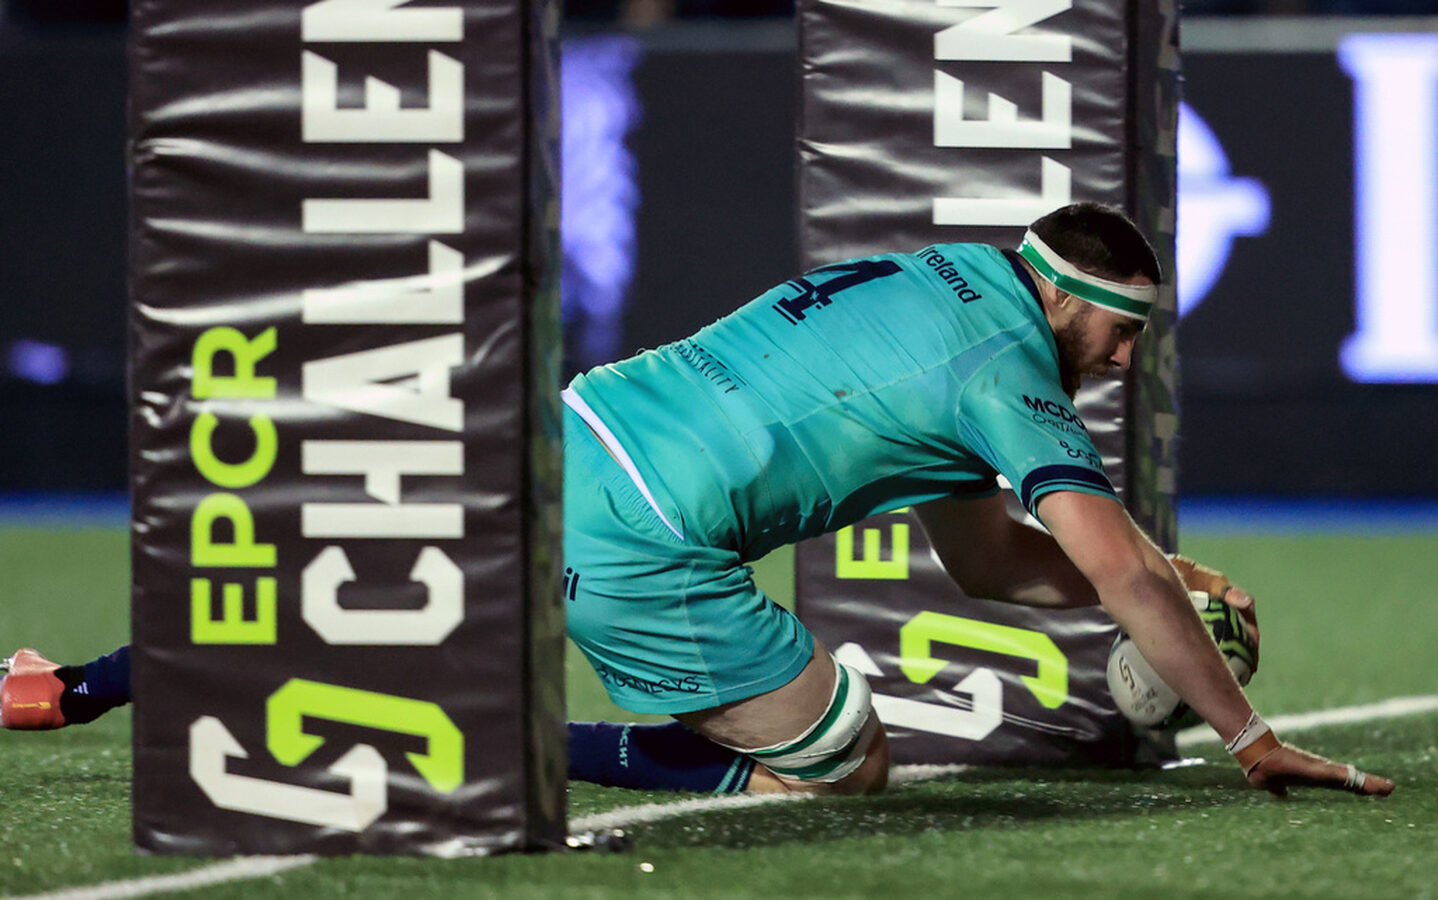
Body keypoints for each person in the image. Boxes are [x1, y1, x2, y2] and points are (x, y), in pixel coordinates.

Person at [2, 203, 1394, 800]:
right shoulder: (1008, 368)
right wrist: (1248, 732)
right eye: (1123, 331)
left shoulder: (953, 278)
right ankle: (463, 744)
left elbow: (987, 562)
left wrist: (1164, 575)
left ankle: (59, 689)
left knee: (337, 595)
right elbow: (1111, 574)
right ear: (1066, 300)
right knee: (835, 763)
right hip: (651, 538)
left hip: (570, 428)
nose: (1127, 359)